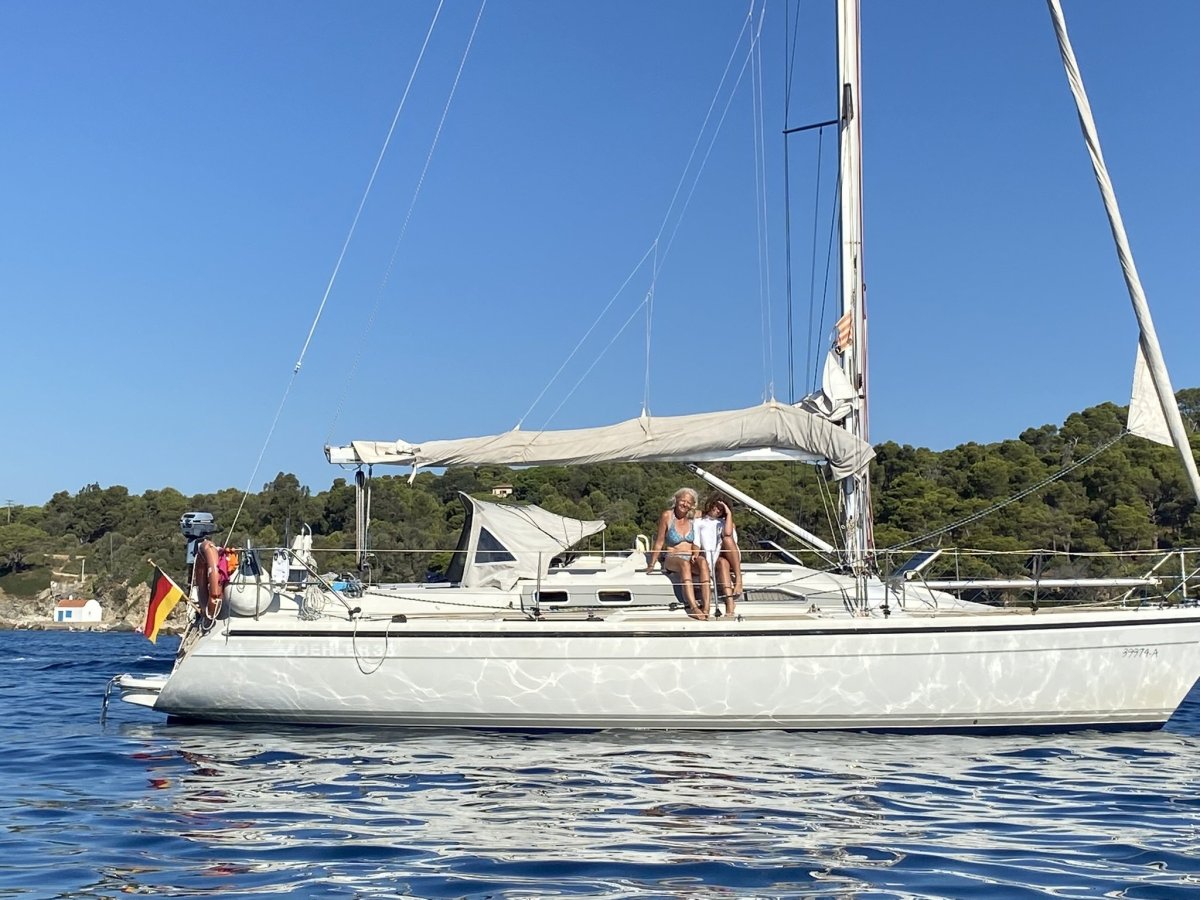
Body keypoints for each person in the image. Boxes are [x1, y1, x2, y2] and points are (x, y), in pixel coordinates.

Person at [646, 487, 711, 619]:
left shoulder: (695, 516)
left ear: (692, 505)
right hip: (673, 557)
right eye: (683, 500)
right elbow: (659, 542)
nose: (685, 504)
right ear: (676, 500)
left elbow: (714, 514)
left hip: (691, 556)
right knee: (684, 564)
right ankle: (693, 607)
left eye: (689, 502)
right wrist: (651, 564)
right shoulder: (667, 516)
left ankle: (707, 606)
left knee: (703, 562)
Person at [695, 493, 742, 617]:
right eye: (715, 506)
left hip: (730, 553)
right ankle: (730, 602)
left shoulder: (725, 522)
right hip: (715, 557)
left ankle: (738, 580)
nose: (717, 510)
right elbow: (697, 541)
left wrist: (729, 514)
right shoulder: (699, 521)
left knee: (726, 539)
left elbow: (728, 534)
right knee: (722, 563)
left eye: (721, 509)